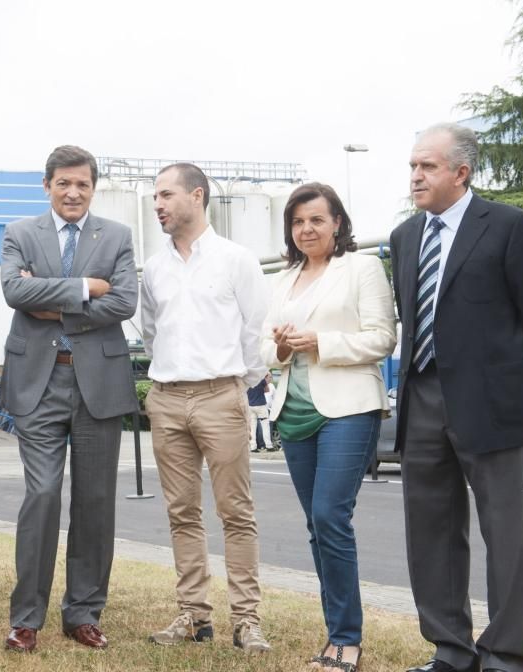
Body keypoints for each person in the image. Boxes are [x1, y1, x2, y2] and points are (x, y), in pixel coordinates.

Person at [391, 123, 523, 672]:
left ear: (461, 172)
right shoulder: (404, 238)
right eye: (413, 166)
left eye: (428, 167)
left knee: (504, 534)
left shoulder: (510, 227)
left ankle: (506, 654)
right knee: (430, 530)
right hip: (421, 398)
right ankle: (451, 649)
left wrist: (519, 391)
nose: (416, 176)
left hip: (492, 403)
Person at [0, 145, 138, 653]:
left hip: (98, 385)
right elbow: (14, 290)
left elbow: (124, 301)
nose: (73, 192)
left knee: (95, 502)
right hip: (38, 383)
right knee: (41, 496)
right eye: (64, 183)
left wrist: (53, 302)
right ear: (47, 186)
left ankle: (82, 613)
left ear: (93, 187)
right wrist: (84, 288)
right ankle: (26, 618)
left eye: (82, 184)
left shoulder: (118, 236)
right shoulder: (20, 233)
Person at [260, 182, 397, 672]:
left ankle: (346, 641)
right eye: (297, 222)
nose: (306, 229)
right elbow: (263, 349)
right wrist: (279, 345)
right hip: (294, 412)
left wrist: (319, 341)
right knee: (318, 528)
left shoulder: (361, 268)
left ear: (337, 222)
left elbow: (382, 338)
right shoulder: (283, 277)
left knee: (330, 517)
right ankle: (334, 633)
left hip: (347, 407)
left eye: (316, 219)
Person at [141, 162, 272, 655]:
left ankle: (246, 620)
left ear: (196, 196)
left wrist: (239, 382)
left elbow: (255, 329)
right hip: (168, 398)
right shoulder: (154, 268)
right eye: (155, 197)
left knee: (236, 512)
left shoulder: (236, 260)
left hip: (222, 395)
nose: (158, 205)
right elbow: (152, 332)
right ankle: (195, 616)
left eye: (165, 195)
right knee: (181, 512)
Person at [246, 377, 269, 452]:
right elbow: (267, 390)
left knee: (252, 427)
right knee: (265, 425)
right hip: (261, 405)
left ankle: (253, 447)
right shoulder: (261, 378)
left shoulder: (247, 379)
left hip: (250, 405)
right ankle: (269, 445)